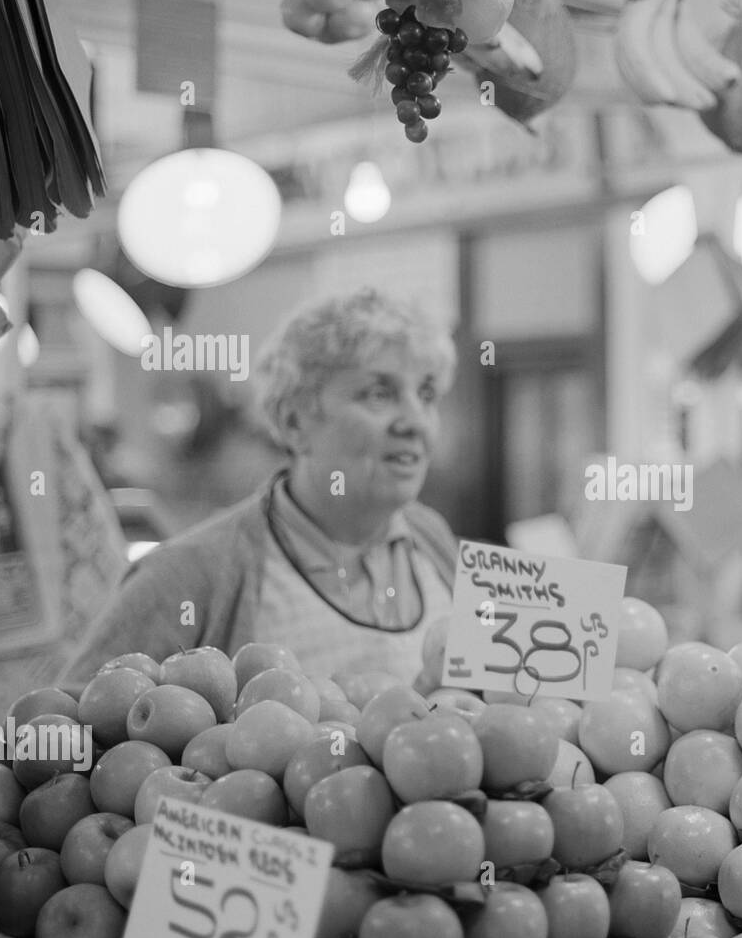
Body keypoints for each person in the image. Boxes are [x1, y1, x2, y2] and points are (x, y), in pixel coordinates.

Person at [63, 288, 460, 685]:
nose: (417, 422)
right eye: (378, 394)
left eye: (426, 394)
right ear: (294, 422)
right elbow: (61, 728)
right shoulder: (189, 575)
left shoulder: (432, 539)